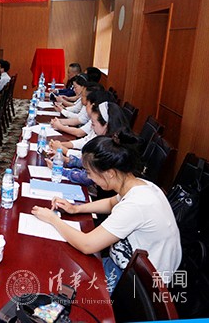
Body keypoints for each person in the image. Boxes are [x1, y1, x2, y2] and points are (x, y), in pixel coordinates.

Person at [32, 134, 182, 294]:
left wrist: (53, 219)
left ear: (110, 173)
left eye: (90, 172)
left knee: (58, 285)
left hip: (141, 285)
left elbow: (87, 245)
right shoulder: (140, 185)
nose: (89, 177)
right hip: (126, 266)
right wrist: (76, 209)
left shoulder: (137, 204)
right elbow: (111, 203)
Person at [50, 101, 129, 159]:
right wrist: (62, 144)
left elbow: (90, 159)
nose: (91, 126)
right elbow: (86, 141)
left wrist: (63, 150)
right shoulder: (102, 132)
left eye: (93, 124)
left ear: (106, 125)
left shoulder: (113, 146)